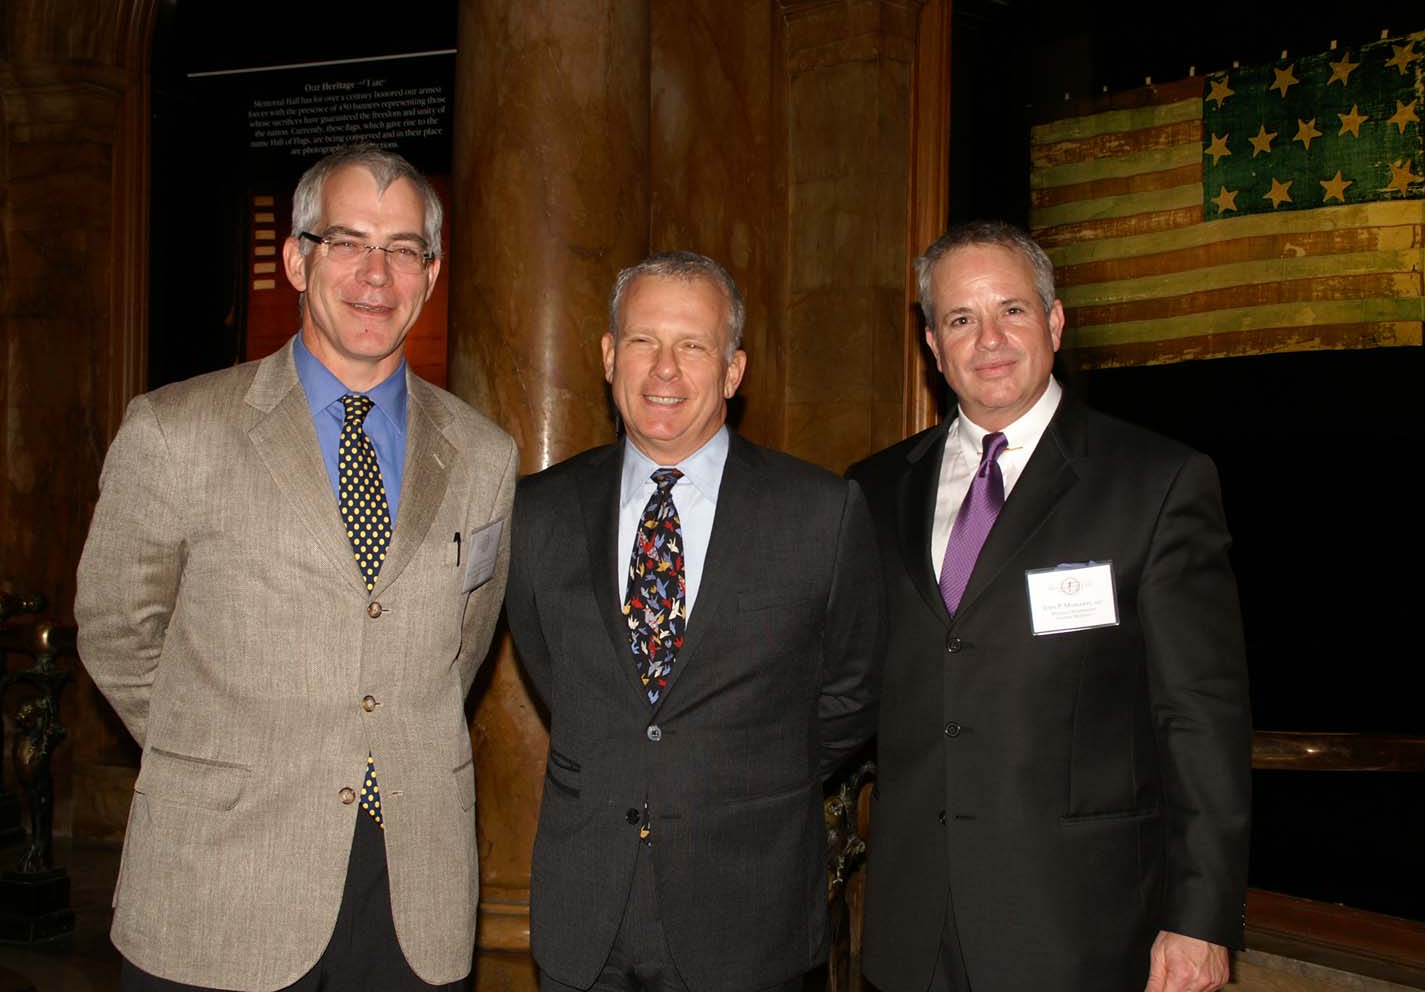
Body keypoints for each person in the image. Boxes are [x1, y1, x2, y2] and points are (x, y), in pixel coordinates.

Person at [75, 147, 518, 992]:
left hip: (410, 891)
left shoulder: (484, 457)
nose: (375, 274)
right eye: (347, 241)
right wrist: (214, 752)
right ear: (295, 258)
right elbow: (115, 629)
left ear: (430, 273)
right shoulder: (176, 430)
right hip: (223, 876)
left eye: (401, 250)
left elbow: (460, 646)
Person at [848, 221, 1250, 992]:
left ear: (1055, 322)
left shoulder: (1155, 482)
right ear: (934, 345)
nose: (989, 339)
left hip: (1081, 928)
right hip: (912, 926)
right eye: (961, 319)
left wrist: (1200, 916)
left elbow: (1201, 715)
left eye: (1013, 311)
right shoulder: (871, 491)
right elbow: (847, 686)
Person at [506, 251, 884, 992]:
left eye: (694, 346)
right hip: (587, 917)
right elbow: (555, 673)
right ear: (610, 356)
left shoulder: (820, 513)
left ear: (734, 370)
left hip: (749, 911)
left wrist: (745, 770)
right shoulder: (539, 512)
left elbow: (856, 687)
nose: (665, 371)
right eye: (643, 341)